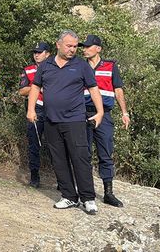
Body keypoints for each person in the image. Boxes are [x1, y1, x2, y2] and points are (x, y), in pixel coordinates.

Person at [27, 30, 104, 215]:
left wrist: (100, 112)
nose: (72, 50)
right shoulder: (45, 66)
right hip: (51, 120)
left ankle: (88, 198)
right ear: (58, 44)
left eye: (75, 46)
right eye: (69, 46)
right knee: (59, 160)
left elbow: (93, 89)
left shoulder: (81, 66)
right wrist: (30, 110)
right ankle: (69, 196)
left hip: (75, 120)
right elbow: (35, 87)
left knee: (80, 158)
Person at [80, 34, 130, 208]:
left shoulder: (110, 66)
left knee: (105, 153)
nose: (84, 49)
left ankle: (108, 193)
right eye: (83, 47)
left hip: (105, 116)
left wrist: (125, 112)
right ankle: (86, 192)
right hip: (82, 114)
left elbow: (118, 90)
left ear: (98, 48)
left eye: (87, 46)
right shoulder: (79, 66)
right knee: (83, 154)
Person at [18, 42, 51, 188]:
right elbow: (22, 91)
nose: (36, 55)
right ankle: (34, 177)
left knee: (56, 145)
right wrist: (37, 87)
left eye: (40, 52)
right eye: (35, 52)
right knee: (34, 144)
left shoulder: (55, 68)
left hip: (53, 110)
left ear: (48, 54)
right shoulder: (28, 70)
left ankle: (61, 179)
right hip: (35, 109)